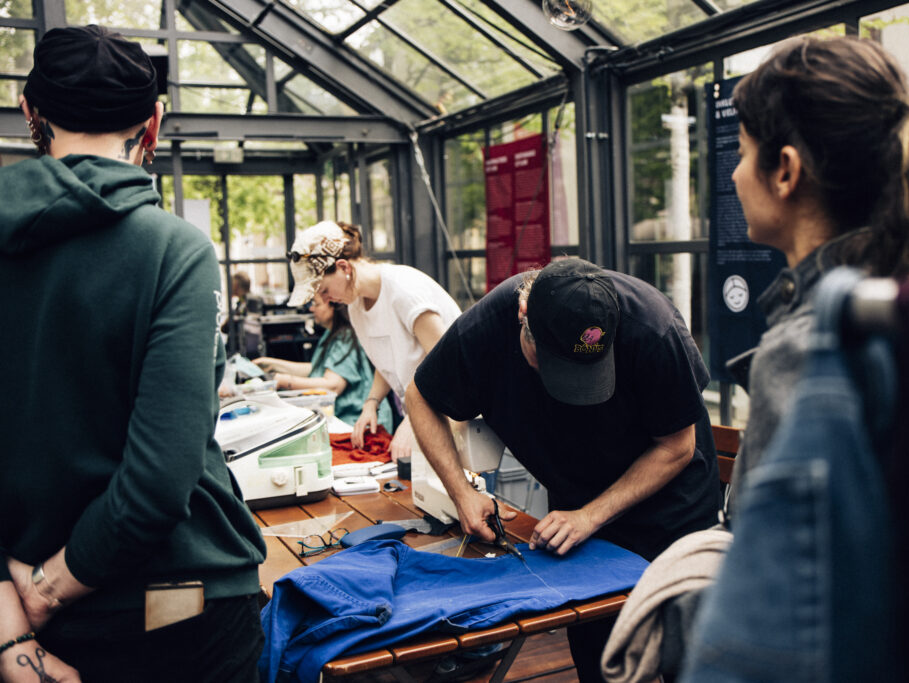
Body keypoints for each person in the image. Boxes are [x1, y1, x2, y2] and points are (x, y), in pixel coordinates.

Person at [0, 25, 266, 683]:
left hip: (34, 630)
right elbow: (159, 479)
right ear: (154, 122)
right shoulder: (173, 249)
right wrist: (48, 586)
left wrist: (10, 621)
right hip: (180, 607)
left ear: (31, 112)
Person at [725, 35, 909, 514]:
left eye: (741, 153)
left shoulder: (808, 347)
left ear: (785, 170)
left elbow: (783, 566)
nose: (736, 175)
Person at [405, 257, 721, 681]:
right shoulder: (490, 325)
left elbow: (678, 447)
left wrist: (590, 515)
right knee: (603, 664)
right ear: (524, 320)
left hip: (671, 507)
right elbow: (420, 397)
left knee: (689, 662)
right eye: (559, 368)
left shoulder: (653, 327)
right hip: (577, 507)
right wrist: (462, 493)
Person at [285, 220, 461, 461]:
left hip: (459, 412)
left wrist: (415, 421)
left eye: (324, 290)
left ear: (343, 266)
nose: (325, 300)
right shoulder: (356, 306)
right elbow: (387, 359)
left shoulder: (404, 290)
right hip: (429, 413)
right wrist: (371, 403)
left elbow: (447, 364)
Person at [253, 291, 394, 431]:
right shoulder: (332, 333)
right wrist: (272, 364)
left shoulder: (345, 337)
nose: (311, 308)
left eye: (316, 304)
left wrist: (282, 380)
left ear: (333, 306)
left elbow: (332, 385)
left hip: (360, 422)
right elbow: (319, 369)